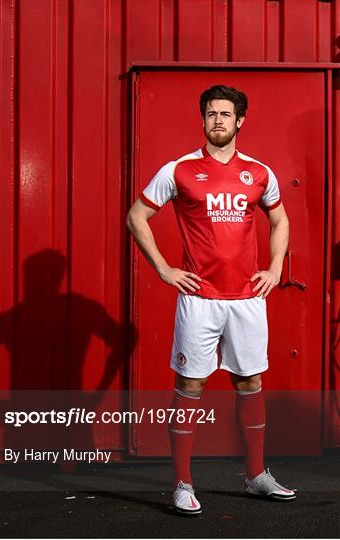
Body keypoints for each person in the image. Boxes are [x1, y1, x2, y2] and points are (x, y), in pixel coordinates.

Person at [126, 84, 296, 514]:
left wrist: (275, 268)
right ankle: (183, 483)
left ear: (240, 120)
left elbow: (280, 220)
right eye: (211, 113)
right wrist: (164, 269)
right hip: (200, 299)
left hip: (246, 300)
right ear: (202, 119)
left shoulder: (259, 172)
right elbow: (136, 216)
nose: (217, 120)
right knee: (190, 385)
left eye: (225, 113)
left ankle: (257, 475)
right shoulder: (180, 170)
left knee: (250, 382)